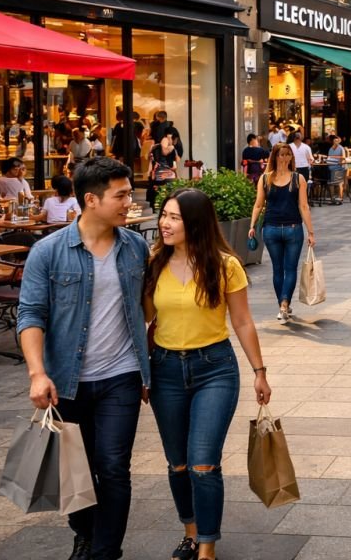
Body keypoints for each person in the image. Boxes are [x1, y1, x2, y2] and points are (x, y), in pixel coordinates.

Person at [17, 157, 151, 560]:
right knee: (74, 469)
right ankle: (86, 532)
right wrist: (37, 373)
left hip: (121, 376)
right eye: (121, 195)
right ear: (91, 200)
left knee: (112, 466)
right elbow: (30, 314)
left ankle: (106, 551)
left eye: (129, 193)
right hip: (67, 380)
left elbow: (149, 304)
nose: (130, 201)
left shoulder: (136, 247)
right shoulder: (48, 252)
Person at [144, 188, 270, 560]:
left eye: (173, 218)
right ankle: (191, 532)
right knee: (178, 463)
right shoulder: (155, 263)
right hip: (165, 369)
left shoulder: (224, 265)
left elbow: (243, 322)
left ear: (194, 223)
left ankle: (207, 548)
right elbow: (144, 319)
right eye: (163, 215)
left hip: (214, 369)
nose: (164, 224)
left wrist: (259, 372)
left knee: (202, 462)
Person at [248, 142, 314, 324]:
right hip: (292, 228)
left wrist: (253, 225)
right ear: (275, 157)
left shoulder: (265, 179)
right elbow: (303, 206)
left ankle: (283, 306)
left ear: (291, 157)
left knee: (279, 270)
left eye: (287, 154)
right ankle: (284, 304)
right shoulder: (297, 178)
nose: (285, 158)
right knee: (289, 268)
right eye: (282, 155)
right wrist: (310, 232)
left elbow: (259, 205)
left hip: (271, 229)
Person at [147, 133, 180, 211]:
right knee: (171, 191)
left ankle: (155, 207)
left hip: (156, 176)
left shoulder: (153, 147)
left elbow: (149, 159)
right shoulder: (172, 148)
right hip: (168, 176)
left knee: (157, 191)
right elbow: (174, 166)